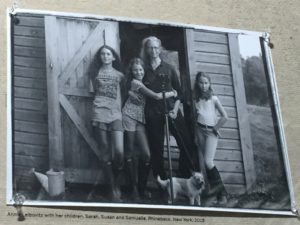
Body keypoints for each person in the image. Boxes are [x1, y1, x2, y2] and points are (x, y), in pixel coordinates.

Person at [140, 36, 197, 180]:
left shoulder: (169, 68)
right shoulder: (143, 69)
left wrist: (175, 109)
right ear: (146, 50)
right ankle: (162, 180)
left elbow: (179, 93)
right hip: (152, 113)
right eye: (150, 47)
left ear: (160, 49)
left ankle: (183, 174)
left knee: (186, 142)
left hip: (172, 109)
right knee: (156, 147)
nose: (153, 50)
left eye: (156, 47)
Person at [122, 58, 177, 201]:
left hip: (140, 119)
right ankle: (133, 189)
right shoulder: (135, 83)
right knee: (129, 152)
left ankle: (140, 188)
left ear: (144, 70)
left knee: (146, 154)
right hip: (128, 116)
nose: (138, 72)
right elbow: (156, 96)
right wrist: (173, 93)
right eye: (135, 70)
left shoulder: (144, 81)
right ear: (132, 72)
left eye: (140, 69)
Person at [91, 45, 124, 201]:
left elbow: (125, 95)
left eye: (108, 54)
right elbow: (92, 92)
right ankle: (111, 188)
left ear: (113, 57)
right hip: (99, 113)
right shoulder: (94, 73)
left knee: (119, 151)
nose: (105, 56)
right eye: (102, 54)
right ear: (100, 57)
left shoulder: (120, 75)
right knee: (104, 150)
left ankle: (117, 182)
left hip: (116, 115)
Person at [193, 72, 228, 205]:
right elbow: (197, 118)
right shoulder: (196, 98)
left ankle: (223, 193)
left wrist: (215, 129)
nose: (203, 85)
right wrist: (197, 135)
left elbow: (225, 116)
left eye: (206, 83)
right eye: (201, 83)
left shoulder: (213, 98)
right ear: (197, 83)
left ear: (210, 84)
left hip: (210, 132)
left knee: (208, 162)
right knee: (204, 163)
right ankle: (213, 193)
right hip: (200, 131)